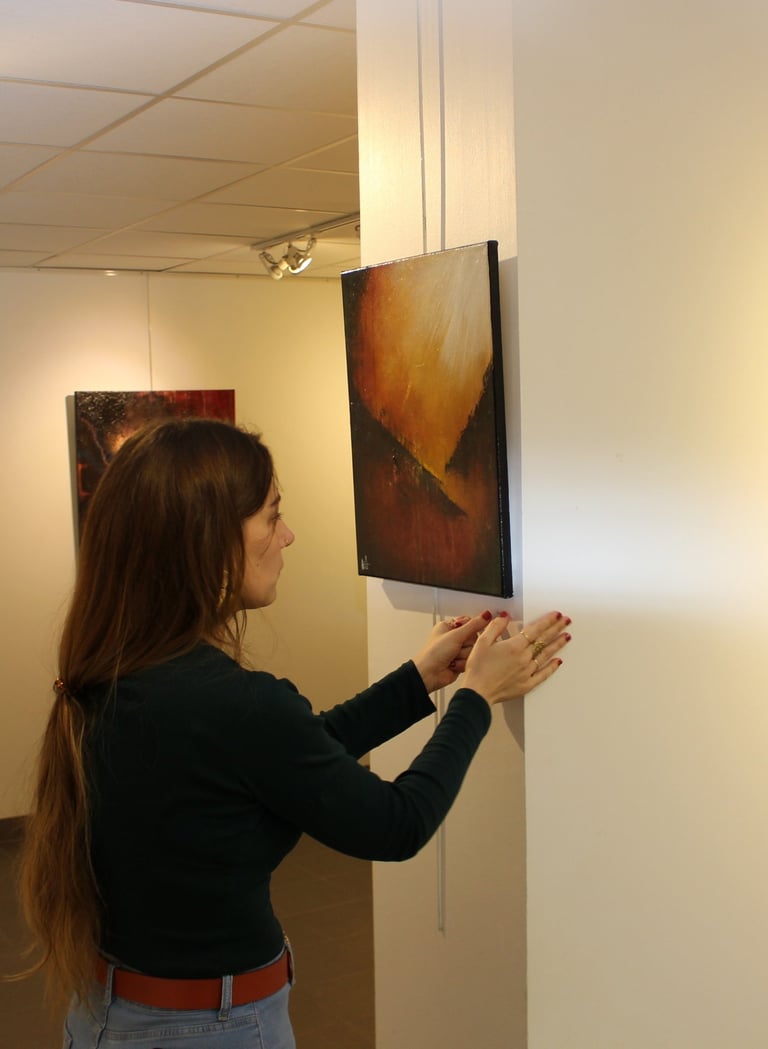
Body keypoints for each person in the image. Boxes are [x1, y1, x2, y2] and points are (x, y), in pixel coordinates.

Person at [18, 418, 571, 1048]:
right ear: (208, 539)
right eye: (272, 516)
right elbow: (396, 823)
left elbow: (286, 760)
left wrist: (416, 682)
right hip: (206, 1030)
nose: (288, 536)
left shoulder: (120, 670)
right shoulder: (232, 703)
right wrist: (476, 696)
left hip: (107, 1014)